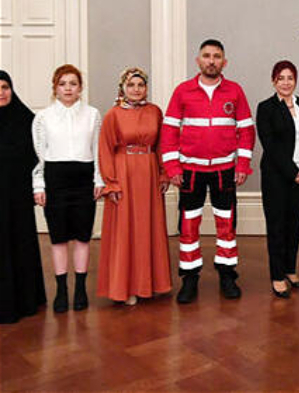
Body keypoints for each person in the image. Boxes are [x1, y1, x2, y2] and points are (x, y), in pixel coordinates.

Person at [161, 39, 255, 304]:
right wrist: (172, 167)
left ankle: (227, 275)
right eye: (206, 56)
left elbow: (247, 131)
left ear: (224, 62)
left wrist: (242, 165)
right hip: (190, 171)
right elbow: (169, 131)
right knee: (188, 225)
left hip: (225, 170)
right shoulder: (182, 91)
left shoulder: (235, 91)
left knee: (226, 224)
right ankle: (189, 278)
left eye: (216, 56)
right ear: (198, 60)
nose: (211, 61)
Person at [32, 64, 104, 313]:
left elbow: (97, 149)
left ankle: (80, 289)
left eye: (73, 83)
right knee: (59, 238)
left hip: (84, 180)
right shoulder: (43, 117)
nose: (68, 88)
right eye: (62, 84)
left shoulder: (93, 114)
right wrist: (39, 185)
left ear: (80, 87)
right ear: (55, 87)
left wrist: (98, 179)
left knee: (83, 237)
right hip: (55, 180)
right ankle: (61, 290)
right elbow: (39, 155)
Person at [97, 67, 172, 305]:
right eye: (131, 85)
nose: (136, 89)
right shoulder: (113, 115)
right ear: (122, 88)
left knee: (148, 227)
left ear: (146, 88)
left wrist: (164, 174)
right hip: (124, 173)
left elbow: (162, 145)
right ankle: (125, 286)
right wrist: (111, 183)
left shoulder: (155, 112)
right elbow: (105, 150)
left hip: (149, 174)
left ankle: (149, 284)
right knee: (125, 229)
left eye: (141, 85)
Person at [256, 60, 299, 298]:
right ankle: (277, 276)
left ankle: (290, 269)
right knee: (277, 227)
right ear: (274, 81)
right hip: (276, 177)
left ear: (296, 80)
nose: (286, 82)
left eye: (290, 78)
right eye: (281, 78)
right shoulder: (266, 108)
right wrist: (293, 173)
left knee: (294, 224)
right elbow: (270, 145)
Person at [0, 71, 47, 323]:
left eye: (5, 87)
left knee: (20, 242)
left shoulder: (27, 119)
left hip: (18, 195)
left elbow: (37, 158)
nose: (1, 92)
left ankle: (25, 299)